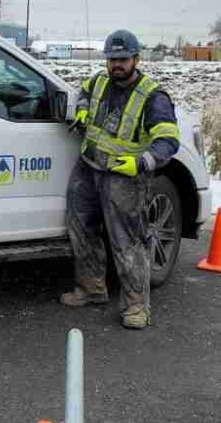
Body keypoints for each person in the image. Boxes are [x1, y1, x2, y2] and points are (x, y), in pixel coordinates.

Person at [62, 30, 180, 329]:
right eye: (112, 59)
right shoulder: (99, 81)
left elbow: (168, 141)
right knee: (82, 229)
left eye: (123, 59)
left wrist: (140, 163)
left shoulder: (152, 97)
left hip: (124, 177)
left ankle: (136, 306)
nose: (116, 64)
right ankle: (92, 289)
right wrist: (82, 111)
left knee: (127, 242)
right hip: (89, 167)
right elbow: (83, 93)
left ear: (136, 59)